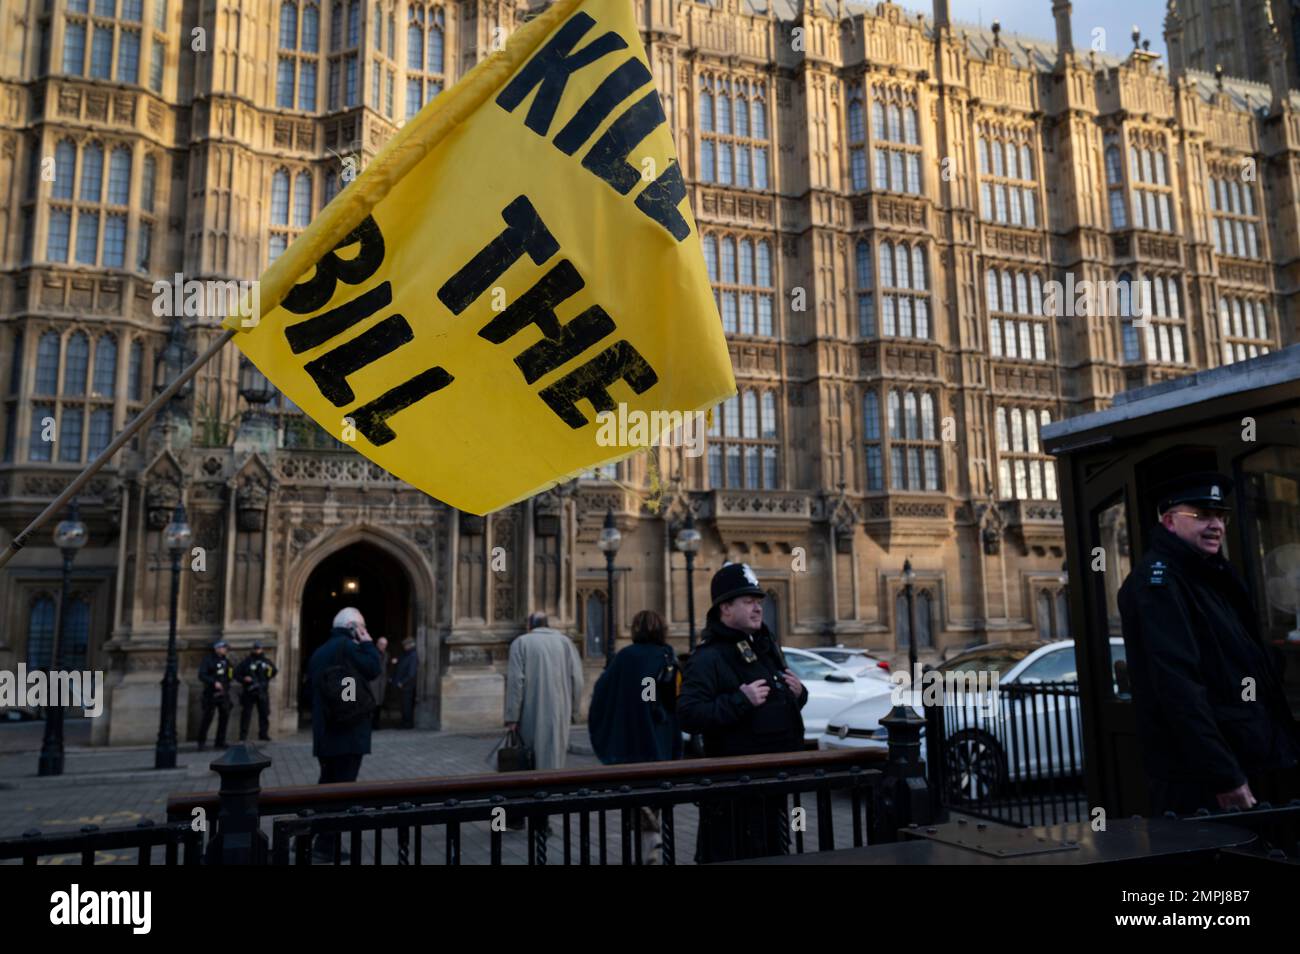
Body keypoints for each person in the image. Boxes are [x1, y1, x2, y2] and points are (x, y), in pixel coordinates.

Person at [1119, 472, 1300, 816]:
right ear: (1169, 521)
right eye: (1202, 515)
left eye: (1221, 516)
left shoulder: (1212, 575)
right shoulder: (1158, 583)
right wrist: (1224, 775)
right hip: (1206, 783)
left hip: (1252, 759)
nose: (1216, 524)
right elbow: (1178, 688)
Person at [678, 562, 807, 861]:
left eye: (759, 602)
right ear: (725, 609)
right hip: (734, 795)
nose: (757, 608)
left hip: (772, 789)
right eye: (748, 602)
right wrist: (740, 700)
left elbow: (777, 700)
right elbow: (689, 714)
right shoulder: (708, 657)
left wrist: (800, 694)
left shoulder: (765, 646)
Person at [589, 609, 682, 863]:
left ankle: (647, 843)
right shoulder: (665, 655)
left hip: (630, 741)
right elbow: (663, 695)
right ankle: (651, 843)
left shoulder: (625, 657)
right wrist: (654, 710)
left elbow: (601, 691)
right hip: (658, 739)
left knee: (637, 795)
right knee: (654, 795)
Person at [307, 607, 382, 785]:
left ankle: (320, 812)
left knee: (327, 782)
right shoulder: (350, 648)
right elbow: (373, 669)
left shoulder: (319, 652)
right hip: (347, 735)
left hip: (324, 734)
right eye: (362, 627)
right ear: (352, 626)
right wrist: (368, 644)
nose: (364, 631)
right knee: (344, 786)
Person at [504, 612, 584, 771]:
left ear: (529, 625)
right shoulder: (565, 642)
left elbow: (515, 683)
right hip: (560, 711)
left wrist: (512, 717)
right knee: (555, 757)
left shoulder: (520, 643)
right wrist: (574, 711)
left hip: (531, 712)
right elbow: (578, 680)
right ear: (547, 624)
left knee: (532, 759)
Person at [235, 641, 277, 742]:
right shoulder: (247, 662)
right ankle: (243, 736)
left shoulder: (266, 662)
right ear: (253, 649)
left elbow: (274, 671)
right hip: (249, 691)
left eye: (259, 648)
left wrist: (266, 678)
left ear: (262, 649)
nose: (257, 650)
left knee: (264, 713)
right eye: (256, 648)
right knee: (246, 714)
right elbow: (236, 674)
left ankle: (263, 734)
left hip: (262, 691)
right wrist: (244, 679)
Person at [196, 640, 235, 750]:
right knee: (207, 717)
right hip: (211, 693)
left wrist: (226, 685)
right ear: (216, 648)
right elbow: (202, 675)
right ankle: (201, 742)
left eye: (225, 648)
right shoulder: (208, 660)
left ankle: (220, 741)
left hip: (223, 694)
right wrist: (214, 682)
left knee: (224, 717)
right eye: (223, 648)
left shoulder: (226, 661)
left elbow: (230, 674)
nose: (225, 650)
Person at [393, 637, 418, 729]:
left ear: (410, 645)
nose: (404, 647)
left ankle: (407, 724)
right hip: (402, 685)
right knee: (403, 705)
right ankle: (404, 722)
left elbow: (411, 673)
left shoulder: (413, 655)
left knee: (407, 705)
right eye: (404, 645)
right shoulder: (406, 654)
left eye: (406, 645)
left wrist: (402, 682)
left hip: (407, 686)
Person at [369, 636, 390, 730]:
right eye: (381, 644)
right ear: (377, 644)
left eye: (385, 645)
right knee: (372, 703)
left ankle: (376, 724)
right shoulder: (371, 653)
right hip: (373, 682)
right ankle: (370, 724)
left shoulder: (386, 654)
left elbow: (387, 667)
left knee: (379, 704)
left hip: (382, 682)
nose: (383, 646)